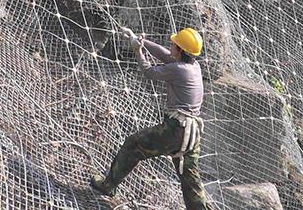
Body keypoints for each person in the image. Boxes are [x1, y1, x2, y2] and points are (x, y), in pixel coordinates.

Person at [90, 27, 213, 209]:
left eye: (174, 44)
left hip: (176, 129)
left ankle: (108, 186)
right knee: (190, 179)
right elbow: (165, 55)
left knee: (133, 144)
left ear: (180, 50)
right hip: (192, 133)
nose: (171, 45)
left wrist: (138, 50)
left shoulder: (178, 70)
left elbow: (148, 71)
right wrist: (139, 40)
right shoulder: (193, 66)